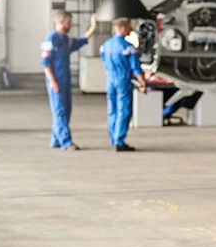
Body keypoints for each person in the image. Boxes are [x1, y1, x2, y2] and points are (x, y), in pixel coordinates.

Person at [41, 10, 96, 150]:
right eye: (68, 22)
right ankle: (66, 141)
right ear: (60, 22)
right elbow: (46, 64)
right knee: (60, 111)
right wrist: (52, 81)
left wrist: (93, 28)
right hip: (56, 81)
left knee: (66, 110)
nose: (70, 24)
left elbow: (79, 42)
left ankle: (56, 140)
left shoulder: (65, 40)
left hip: (65, 81)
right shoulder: (50, 41)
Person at [100, 18, 147, 151]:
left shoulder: (106, 45)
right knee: (124, 110)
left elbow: (104, 65)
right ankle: (119, 141)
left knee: (112, 110)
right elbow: (136, 68)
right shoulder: (128, 47)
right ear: (125, 28)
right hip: (123, 81)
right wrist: (143, 83)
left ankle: (113, 139)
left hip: (110, 80)